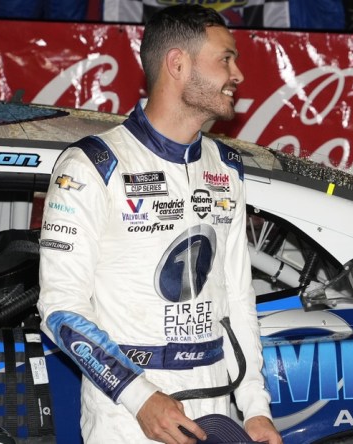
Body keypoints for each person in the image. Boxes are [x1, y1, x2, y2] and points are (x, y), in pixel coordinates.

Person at [37, 4, 282, 444]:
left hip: (216, 413)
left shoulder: (226, 168)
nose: (239, 74)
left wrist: (255, 409)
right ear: (177, 63)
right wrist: (140, 397)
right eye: (226, 58)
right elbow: (60, 309)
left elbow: (239, 300)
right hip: (127, 420)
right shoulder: (93, 165)